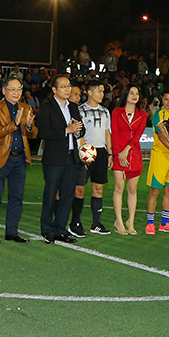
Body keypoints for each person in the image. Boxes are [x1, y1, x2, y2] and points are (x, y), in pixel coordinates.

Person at [0, 76, 38, 244]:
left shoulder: (25, 107)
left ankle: (12, 232)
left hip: (20, 159)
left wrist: (29, 126)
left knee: (17, 197)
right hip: (1, 158)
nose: (16, 93)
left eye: (19, 90)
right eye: (13, 89)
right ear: (4, 90)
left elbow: (33, 134)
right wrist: (15, 123)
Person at [37, 75, 85, 244]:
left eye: (69, 86)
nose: (67, 89)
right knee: (50, 195)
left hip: (71, 158)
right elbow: (42, 133)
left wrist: (77, 129)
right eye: (63, 86)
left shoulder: (73, 107)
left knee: (67, 196)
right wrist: (66, 130)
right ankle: (47, 229)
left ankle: (60, 229)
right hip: (54, 159)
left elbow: (81, 129)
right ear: (54, 89)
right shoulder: (46, 108)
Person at [74, 79, 113, 235]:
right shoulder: (81, 110)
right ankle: (76, 222)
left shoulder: (105, 111)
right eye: (99, 91)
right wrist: (84, 152)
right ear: (89, 92)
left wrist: (110, 153)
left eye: (103, 91)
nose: (102, 94)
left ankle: (96, 223)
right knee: (80, 189)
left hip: (101, 153)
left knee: (98, 189)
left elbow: (107, 133)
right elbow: (80, 134)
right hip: (87, 152)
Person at [145, 86, 169, 234]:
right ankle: (150, 223)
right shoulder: (158, 115)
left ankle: (164, 223)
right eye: (166, 99)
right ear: (162, 99)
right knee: (155, 190)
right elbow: (161, 137)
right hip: (161, 155)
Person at [111, 85, 147, 235]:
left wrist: (127, 150)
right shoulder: (117, 112)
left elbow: (138, 135)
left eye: (137, 93)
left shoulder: (142, 115)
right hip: (118, 154)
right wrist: (119, 153)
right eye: (131, 93)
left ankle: (130, 221)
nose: (134, 96)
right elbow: (115, 132)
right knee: (119, 187)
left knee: (132, 189)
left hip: (134, 155)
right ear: (125, 95)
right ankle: (119, 221)